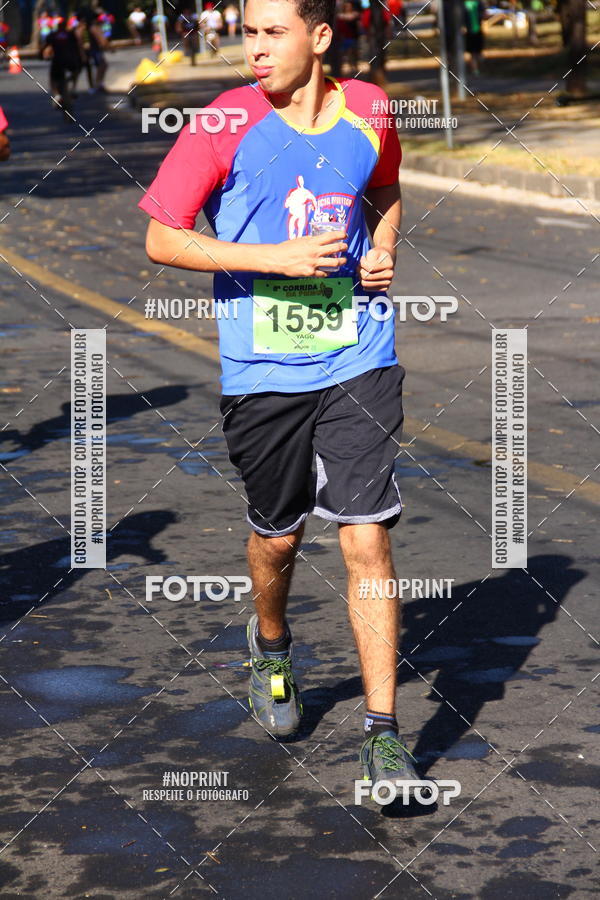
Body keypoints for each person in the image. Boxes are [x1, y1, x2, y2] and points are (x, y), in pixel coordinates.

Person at [139, 0, 422, 797]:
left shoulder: (369, 109)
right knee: (279, 538)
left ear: (320, 37)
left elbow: (386, 187)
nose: (254, 49)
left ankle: (383, 734)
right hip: (263, 369)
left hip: (359, 352)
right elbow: (162, 236)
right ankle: (271, 643)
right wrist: (277, 259)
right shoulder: (222, 124)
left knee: (366, 537)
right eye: (248, 33)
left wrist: (384, 246)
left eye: (273, 32)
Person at [42, 16, 84, 114]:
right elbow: (78, 46)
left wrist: (44, 56)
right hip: (70, 61)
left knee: (52, 78)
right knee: (76, 71)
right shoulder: (70, 34)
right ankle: (73, 88)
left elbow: (46, 49)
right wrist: (82, 56)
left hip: (58, 61)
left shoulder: (52, 35)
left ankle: (56, 95)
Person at [463, 0, 485, 74]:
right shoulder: (464, 4)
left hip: (478, 30)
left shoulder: (478, 3)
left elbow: (483, 14)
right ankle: (475, 69)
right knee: (473, 53)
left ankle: (478, 68)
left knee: (479, 53)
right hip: (469, 31)